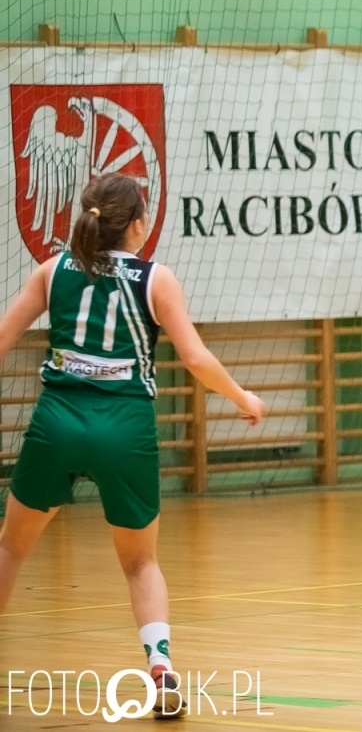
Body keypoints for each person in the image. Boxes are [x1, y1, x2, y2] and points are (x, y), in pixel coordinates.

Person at [0, 173, 266, 719]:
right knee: (141, 562)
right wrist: (242, 397)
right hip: (126, 428)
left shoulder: (52, 271)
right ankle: (161, 667)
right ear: (139, 225)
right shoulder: (156, 279)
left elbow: (3, 338)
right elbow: (195, 358)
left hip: (57, 422)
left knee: (10, 547)